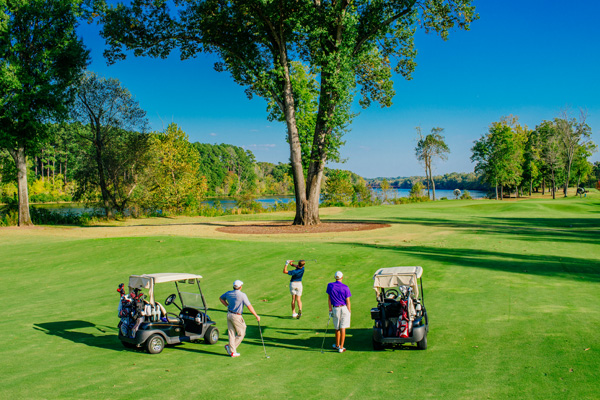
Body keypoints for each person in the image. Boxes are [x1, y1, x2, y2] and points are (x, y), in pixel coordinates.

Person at [219, 280, 260, 358]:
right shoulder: (242, 295)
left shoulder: (228, 293)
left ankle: (232, 351)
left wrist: (227, 305)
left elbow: (221, 298)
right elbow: (249, 306)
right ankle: (231, 348)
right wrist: (256, 315)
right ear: (240, 287)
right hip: (237, 316)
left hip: (229, 314)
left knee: (231, 333)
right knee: (241, 333)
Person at [326, 271, 351, 353]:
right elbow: (348, 301)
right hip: (344, 308)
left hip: (335, 308)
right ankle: (341, 347)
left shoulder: (330, 285)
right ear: (342, 277)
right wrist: (349, 311)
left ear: (334, 277)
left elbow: (329, 299)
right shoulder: (345, 287)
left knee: (337, 328)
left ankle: (337, 345)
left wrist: (330, 309)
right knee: (342, 327)